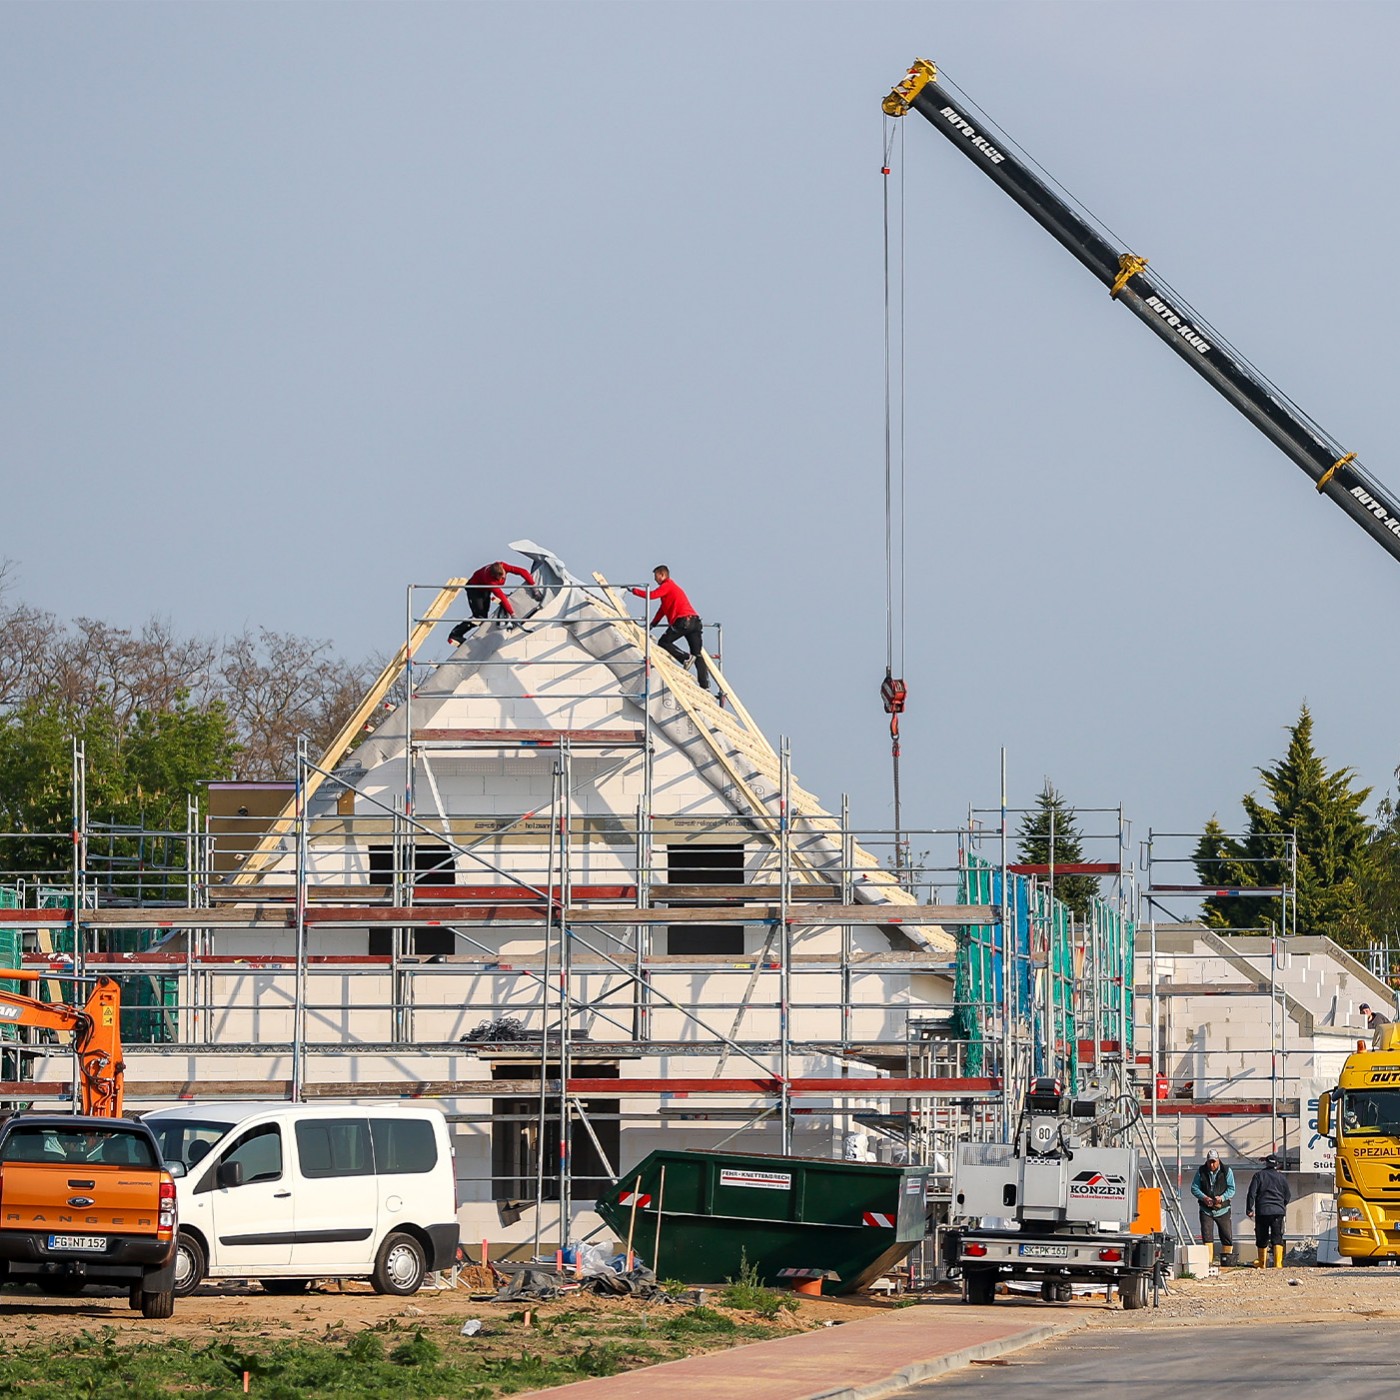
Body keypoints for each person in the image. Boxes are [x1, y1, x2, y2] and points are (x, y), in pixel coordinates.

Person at [630, 565, 710, 691]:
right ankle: (705, 686)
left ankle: (685, 658)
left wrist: (634, 591)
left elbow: (651, 595)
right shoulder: (670, 589)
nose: (654, 579)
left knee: (664, 642)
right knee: (697, 654)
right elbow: (662, 610)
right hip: (694, 621)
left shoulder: (667, 585)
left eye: (656, 576)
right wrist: (652, 624)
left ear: (662, 575)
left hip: (683, 621)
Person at [449, 561, 537, 646]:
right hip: (474, 590)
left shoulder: (503, 566)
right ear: (494, 576)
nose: (502, 579)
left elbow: (522, 571)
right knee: (479, 617)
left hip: (485, 590)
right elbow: (501, 597)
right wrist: (513, 614)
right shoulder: (490, 580)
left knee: (484, 616)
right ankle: (455, 634)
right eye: (499, 579)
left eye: (503, 577)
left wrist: (533, 586)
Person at [1245, 1151, 1291, 1268]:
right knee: (1277, 1237)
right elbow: (1288, 1195)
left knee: (1262, 1238)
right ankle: (1278, 1265)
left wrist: (1249, 1209)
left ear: (1266, 1164)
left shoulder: (1258, 1175)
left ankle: (1262, 1264)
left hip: (1263, 1212)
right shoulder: (1282, 1177)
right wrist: (1281, 1205)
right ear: (1276, 1164)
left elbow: (1251, 1193)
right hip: (1278, 1212)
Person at [1190, 1149, 1236, 1266]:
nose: (1212, 1165)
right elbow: (1194, 1188)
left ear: (1218, 1161)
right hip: (1206, 1210)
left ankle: (1227, 1262)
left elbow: (1232, 1189)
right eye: (1209, 1162)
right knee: (1207, 1235)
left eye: (1214, 1162)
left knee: (1226, 1235)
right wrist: (1204, 1198)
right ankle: (1208, 1263)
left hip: (1223, 1209)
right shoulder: (1201, 1171)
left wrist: (1222, 1197)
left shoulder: (1226, 1171)